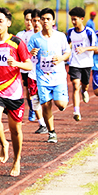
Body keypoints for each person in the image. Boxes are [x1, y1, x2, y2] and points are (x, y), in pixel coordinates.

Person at [0, 7, 33, 177]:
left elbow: (29, 65)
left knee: (15, 130)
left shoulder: (16, 42)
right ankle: (3, 143)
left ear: (8, 23)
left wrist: (16, 64)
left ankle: (17, 160)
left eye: (0, 21)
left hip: (14, 92)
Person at [27, 8, 72, 144]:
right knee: (46, 106)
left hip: (58, 77)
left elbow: (67, 52)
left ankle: (60, 98)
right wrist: (32, 53)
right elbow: (27, 56)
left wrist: (61, 58)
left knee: (61, 104)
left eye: (48, 19)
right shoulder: (34, 38)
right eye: (43, 19)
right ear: (40, 21)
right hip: (42, 78)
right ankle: (51, 132)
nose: (45, 21)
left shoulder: (60, 36)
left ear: (53, 21)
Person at [66, 7, 98, 121]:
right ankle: (76, 111)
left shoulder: (89, 32)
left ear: (82, 19)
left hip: (86, 63)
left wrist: (84, 49)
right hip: (74, 63)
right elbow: (67, 44)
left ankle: (84, 91)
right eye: (72, 19)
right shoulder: (70, 31)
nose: (73, 22)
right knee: (75, 85)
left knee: (85, 85)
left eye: (75, 19)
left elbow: (95, 47)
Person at [26, 9, 48, 134]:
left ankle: (48, 122)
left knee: (46, 100)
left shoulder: (48, 36)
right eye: (34, 20)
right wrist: (29, 53)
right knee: (34, 99)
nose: (36, 23)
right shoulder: (26, 36)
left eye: (38, 20)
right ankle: (42, 124)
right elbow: (22, 55)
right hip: (32, 73)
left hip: (46, 74)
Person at [16, 9, 36, 121]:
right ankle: (32, 109)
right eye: (27, 20)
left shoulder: (37, 33)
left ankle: (38, 109)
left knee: (35, 91)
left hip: (36, 67)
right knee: (28, 90)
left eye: (31, 20)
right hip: (25, 67)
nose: (29, 22)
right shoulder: (20, 35)